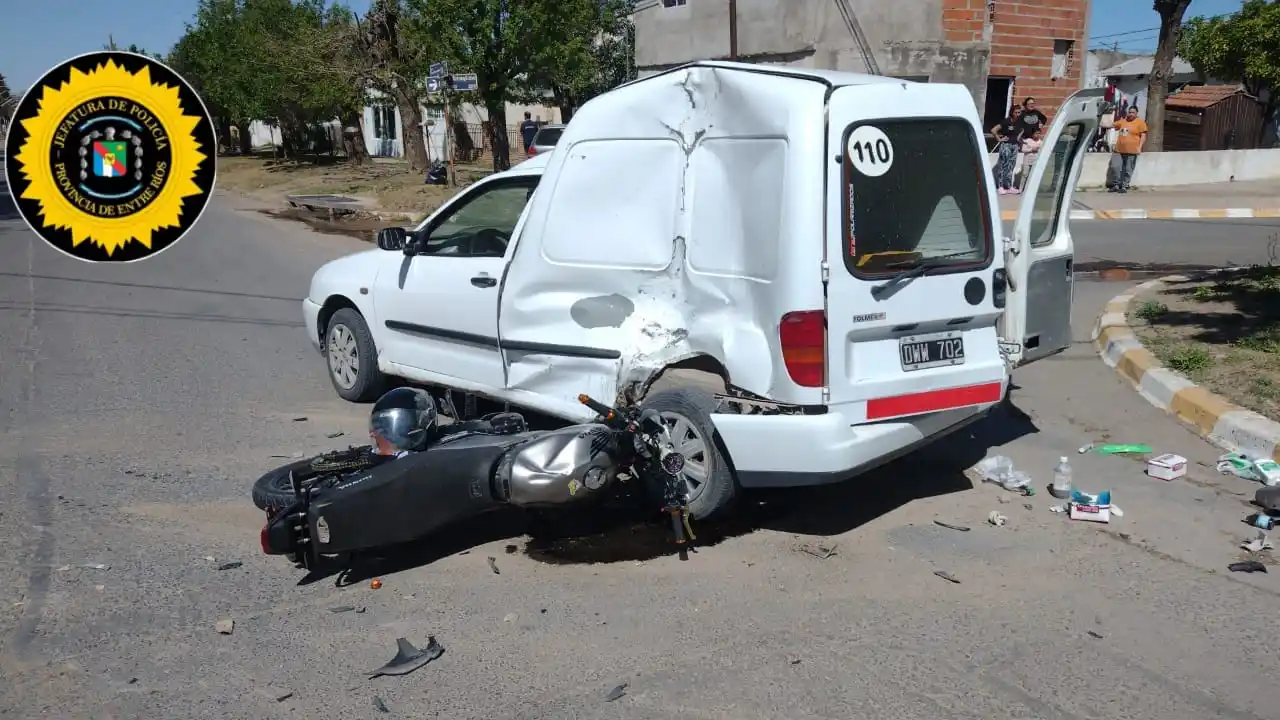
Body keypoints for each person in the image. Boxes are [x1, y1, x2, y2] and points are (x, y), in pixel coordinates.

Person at [1108, 105, 1148, 193]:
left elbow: (1143, 136)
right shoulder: (1123, 121)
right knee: (1115, 166)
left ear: (1137, 113)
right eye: (1129, 112)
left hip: (1132, 150)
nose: (1131, 114)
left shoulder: (1140, 122)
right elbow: (1112, 125)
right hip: (1119, 149)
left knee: (1128, 169)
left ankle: (1124, 186)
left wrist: (1139, 147)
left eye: (1133, 112)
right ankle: (1116, 185)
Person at [990, 106, 1024, 195]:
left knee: (1011, 166)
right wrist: (999, 139)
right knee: (1003, 166)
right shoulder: (1006, 121)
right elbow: (993, 130)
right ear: (1012, 112)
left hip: (1014, 146)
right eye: (1016, 112)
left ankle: (1008, 186)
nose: (1017, 114)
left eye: (1019, 112)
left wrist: (1019, 139)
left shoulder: (1019, 122)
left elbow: (1022, 130)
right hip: (1006, 145)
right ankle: (1000, 186)